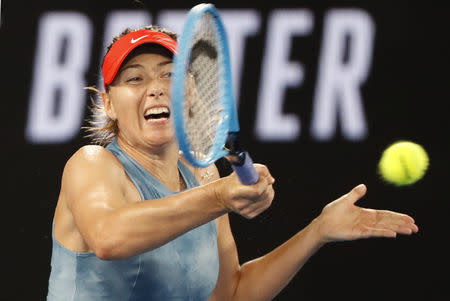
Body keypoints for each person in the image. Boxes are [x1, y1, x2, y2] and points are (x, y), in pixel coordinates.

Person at [46, 25, 418, 301]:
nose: (155, 87)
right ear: (109, 103)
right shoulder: (92, 163)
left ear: (190, 92)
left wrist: (318, 231)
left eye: (170, 74)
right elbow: (109, 238)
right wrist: (219, 196)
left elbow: (232, 294)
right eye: (135, 78)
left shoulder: (203, 174)